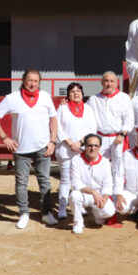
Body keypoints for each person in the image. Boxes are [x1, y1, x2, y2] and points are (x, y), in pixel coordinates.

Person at [0, 69, 59, 229]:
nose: (33, 84)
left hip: (43, 147)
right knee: (21, 183)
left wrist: (52, 141)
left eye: (36, 81)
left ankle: (47, 213)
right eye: (30, 80)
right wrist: (4, 138)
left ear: (39, 82)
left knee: (45, 182)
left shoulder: (46, 97)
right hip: (21, 149)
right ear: (23, 81)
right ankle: (24, 213)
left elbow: (53, 119)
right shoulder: (12, 98)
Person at [55, 82, 98, 219]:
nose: (75, 93)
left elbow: (92, 129)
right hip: (65, 150)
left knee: (81, 180)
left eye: (78, 91)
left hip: (82, 150)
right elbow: (57, 128)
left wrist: (80, 143)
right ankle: (62, 207)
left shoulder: (88, 109)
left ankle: (80, 206)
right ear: (68, 95)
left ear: (82, 93)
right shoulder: (62, 109)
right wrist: (69, 143)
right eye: (72, 91)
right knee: (66, 180)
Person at [87, 71, 135, 173]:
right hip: (100, 138)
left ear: (116, 83)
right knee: (98, 165)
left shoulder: (124, 98)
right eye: (106, 81)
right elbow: (83, 112)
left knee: (118, 167)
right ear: (102, 82)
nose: (109, 84)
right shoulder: (93, 99)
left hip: (117, 137)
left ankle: (118, 188)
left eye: (112, 81)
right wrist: (67, 103)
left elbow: (129, 118)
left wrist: (122, 134)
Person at [69, 134, 116, 234]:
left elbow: (108, 184)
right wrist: (92, 192)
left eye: (96, 146)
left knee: (109, 211)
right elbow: (75, 183)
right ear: (85, 146)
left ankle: (97, 214)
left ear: (99, 147)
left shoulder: (105, 162)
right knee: (74, 195)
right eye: (89, 145)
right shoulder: (76, 160)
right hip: (83, 194)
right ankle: (78, 222)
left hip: (99, 195)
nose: (92, 148)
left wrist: (104, 199)